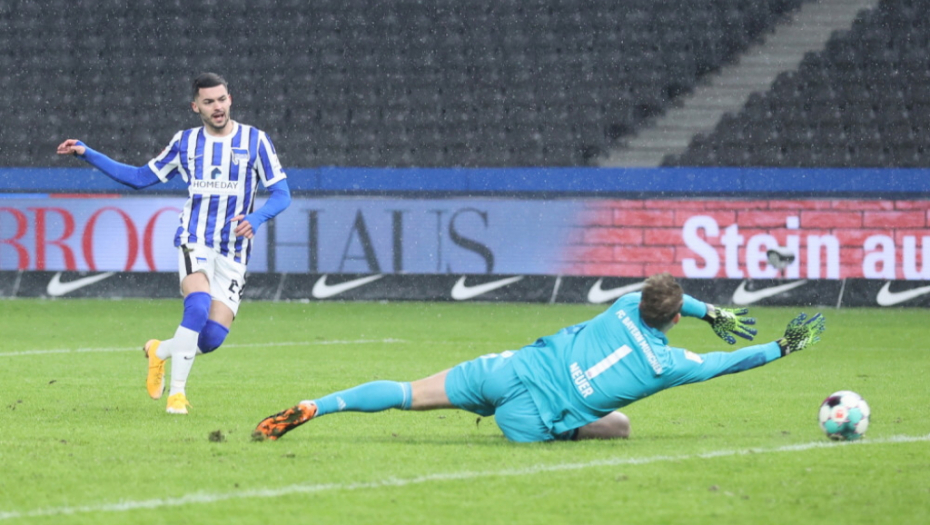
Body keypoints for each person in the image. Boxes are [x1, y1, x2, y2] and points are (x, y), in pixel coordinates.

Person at [253, 273, 825, 442]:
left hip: (508, 369)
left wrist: (709, 310)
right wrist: (783, 345)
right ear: (674, 321)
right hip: (529, 418)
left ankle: (318, 406)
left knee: (407, 393)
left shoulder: (622, 306)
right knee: (620, 426)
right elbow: (732, 362)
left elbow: (657, 295)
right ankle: (555, 427)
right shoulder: (670, 364)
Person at [57, 72, 292, 415]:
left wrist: (256, 218)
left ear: (230, 100)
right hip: (195, 239)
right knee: (196, 307)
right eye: (208, 102)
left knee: (211, 339)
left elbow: (282, 194)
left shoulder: (255, 141)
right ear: (195, 106)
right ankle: (177, 395)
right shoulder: (185, 143)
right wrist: (87, 153)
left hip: (234, 252)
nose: (217, 107)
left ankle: (160, 351)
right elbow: (139, 178)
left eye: (221, 99)